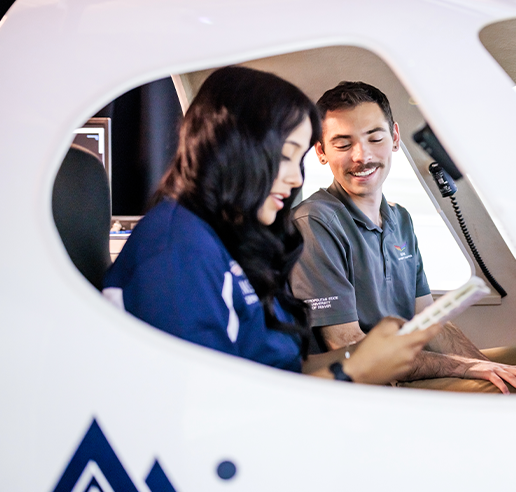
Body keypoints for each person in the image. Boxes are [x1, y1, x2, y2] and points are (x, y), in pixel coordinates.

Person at [102, 67, 439, 384]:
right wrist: (354, 371)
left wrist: (366, 355)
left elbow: (281, 371)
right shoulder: (176, 252)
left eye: (298, 159)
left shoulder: (235, 243)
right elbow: (205, 408)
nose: (295, 179)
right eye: (284, 156)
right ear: (235, 149)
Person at [288, 81, 516, 394]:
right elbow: (351, 346)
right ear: (321, 152)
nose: (362, 156)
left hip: (415, 367)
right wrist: (469, 369)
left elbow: (429, 322)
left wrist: (490, 368)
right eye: (343, 144)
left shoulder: (400, 218)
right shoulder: (315, 222)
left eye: (375, 138)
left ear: (394, 139)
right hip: (379, 384)